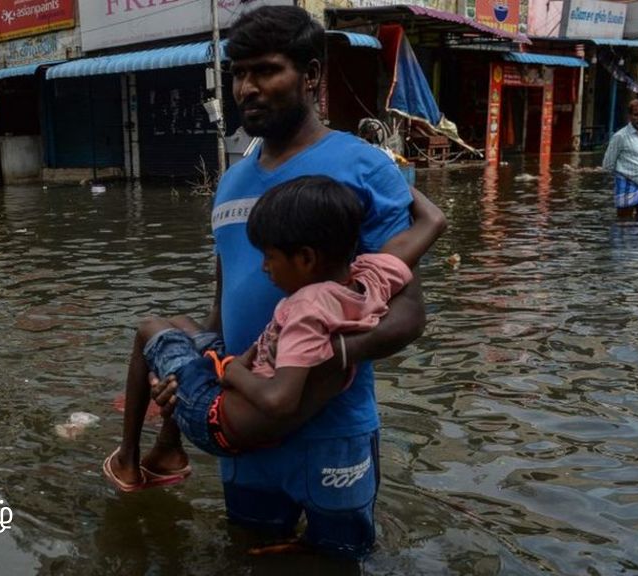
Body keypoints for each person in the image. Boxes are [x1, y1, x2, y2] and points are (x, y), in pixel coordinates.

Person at [148, 6, 430, 558]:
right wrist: (195, 377)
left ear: (312, 75)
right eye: (237, 73)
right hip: (246, 425)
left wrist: (310, 368)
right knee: (251, 547)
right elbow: (220, 311)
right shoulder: (230, 182)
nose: (246, 88)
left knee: (339, 559)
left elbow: (408, 313)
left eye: (265, 71)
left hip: (332, 426)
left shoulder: (362, 167)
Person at [104, 177, 445, 494]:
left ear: (307, 258)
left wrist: (234, 372)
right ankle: (167, 449)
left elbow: (279, 401)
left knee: (149, 329)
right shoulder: (371, 277)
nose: (264, 267)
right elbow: (433, 221)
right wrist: (387, 178)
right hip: (239, 400)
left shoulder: (306, 309)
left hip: (216, 420)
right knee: (178, 323)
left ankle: (128, 462)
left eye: (269, 257)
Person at [602, 98, 638, 219]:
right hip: (627, 184)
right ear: (630, 116)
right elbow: (608, 164)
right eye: (636, 114)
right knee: (624, 221)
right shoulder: (620, 136)